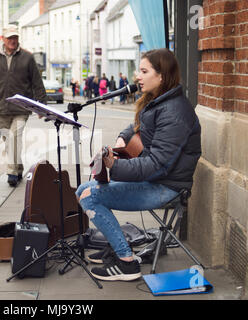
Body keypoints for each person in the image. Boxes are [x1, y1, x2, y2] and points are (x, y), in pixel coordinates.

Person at [76, 48, 201, 282]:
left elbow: (156, 165)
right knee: (83, 189)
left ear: (161, 76)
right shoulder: (159, 102)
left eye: (144, 71)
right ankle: (117, 247)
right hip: (155, 179)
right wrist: (123, 138)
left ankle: (126, 263)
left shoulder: (175, 112)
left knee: (89, 197)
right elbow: (139, 128)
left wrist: (113, 165)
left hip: (166, 186)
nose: (137, 76)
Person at [0, 24, 47, 187]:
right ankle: (18, 169)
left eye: (15, 37)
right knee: (9, 140)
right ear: (3, 39)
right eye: (10, 38)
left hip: (22, 108)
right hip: (1, 108)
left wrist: (42, 105)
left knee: (14, 137)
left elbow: (36, 82)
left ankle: (11, 172)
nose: (13, 40)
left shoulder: (27, 57)